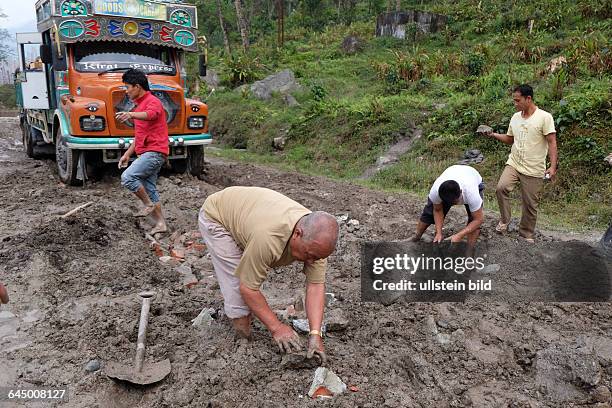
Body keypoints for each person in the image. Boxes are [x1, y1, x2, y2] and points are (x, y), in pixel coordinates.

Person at [198, 186, 339, 364]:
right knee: (238, 289)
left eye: (317, 258)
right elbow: (248, 289)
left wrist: (315, 334)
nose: (311, 261)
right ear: (297, 234)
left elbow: (315, 286)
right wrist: (277, 328)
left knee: (251, 272)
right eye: (309, 255)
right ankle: (243, 346)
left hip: (250, 217)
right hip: (218, 217)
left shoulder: (317, 243)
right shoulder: (268, 237)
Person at [483, 84, 557, 243]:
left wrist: (552, 166)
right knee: (501, 188)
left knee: (530, 205)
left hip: (534, 168)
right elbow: (510, 139)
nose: (515, 104)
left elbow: (552, 142)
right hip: (515, 163)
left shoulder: (544, 117)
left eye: (517, 100)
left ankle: (526, 234)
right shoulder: (515, 117)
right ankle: (504, 221)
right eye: (514, 101)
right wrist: (493, 134)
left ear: (528, 99)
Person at [116, 69, 168, 235]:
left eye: (128, 87)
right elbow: (139, 136)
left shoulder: (152, 101)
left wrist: (130, 114)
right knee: (150, 188)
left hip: (154, 152)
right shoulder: (139, 106)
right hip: (147, 152)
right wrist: (127, 154)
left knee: (128, 177)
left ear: (137, 86)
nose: (126, 91)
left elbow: (152, 114)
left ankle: (147, 205)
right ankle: (161, 224)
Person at [412, 165, 484, 247]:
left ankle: (469, 254)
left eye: (454, 202)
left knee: (473, 220)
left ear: (460, 192)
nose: (452, 205)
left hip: (472, 175)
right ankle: (416, 237)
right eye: (448, 202)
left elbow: (478, 220)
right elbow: (438, 210)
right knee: (429, 213)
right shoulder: (435, 192)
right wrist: (439, 233)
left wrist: (459, 235)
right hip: (452, 171)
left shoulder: (471, 193)